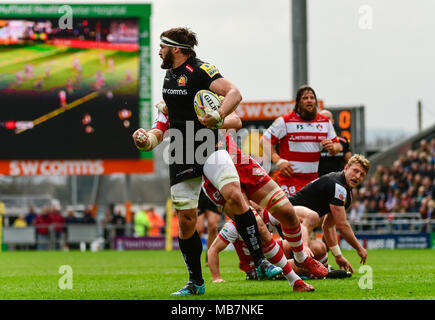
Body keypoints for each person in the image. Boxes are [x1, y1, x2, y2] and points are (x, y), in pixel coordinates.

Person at [133, 27, 287, 296]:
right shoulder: (168, 77)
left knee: (234, 195)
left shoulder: (202, 70)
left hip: (208, 144)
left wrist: (218, 115)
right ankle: (196, 282)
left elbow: (235, 94)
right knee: (186, 221)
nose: (159, 51)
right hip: (180, 151)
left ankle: (259, 263)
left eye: (162, 47)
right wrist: (146, 139)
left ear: (176, 50)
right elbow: (163, 127)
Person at [145, 98, 328, 293]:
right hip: (211, 173)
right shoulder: (168, 105)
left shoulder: (205, 91)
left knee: (287, 212)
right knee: (260, 229)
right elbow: (158, 130)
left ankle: (301, 258)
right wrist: (146, 139)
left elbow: (236, 120)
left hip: (237, 160)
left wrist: (214, 119)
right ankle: (293, 279)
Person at [288, 154, 370, 273]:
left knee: (320, 249)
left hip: (298, 225)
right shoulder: (337, 185)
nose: (357, 176)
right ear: (346, 168)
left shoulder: (346, 193)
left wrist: (338, 256)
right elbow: (342, 225)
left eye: (362, 174)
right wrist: (359, 248)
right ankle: (273, 267)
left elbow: (328, 226)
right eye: (355, 171)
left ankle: (320, 268)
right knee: (311, 256)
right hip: (285, 218)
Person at [260, 85, 341, 197]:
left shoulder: (325, 122)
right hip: (289, 181)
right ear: (298, 102)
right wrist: (277, 160)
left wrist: (333, 148)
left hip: (312, 181)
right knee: (297, 213)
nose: (309, 100)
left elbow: (337, 146)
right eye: (305, 98)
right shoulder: (285, 121)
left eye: (312, 98)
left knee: (317, 214)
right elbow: (263, 140)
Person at [318, 109, 352, 177]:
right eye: (322, 118)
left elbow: (350, 163)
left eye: (328, 118)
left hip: (338, 181)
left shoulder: (343, 141)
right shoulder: (313, 141)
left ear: (333, 121)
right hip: (318, 181)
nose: (325, 120)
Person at [196, 189, 223, 265]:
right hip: (199, 195)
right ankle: (194, 257)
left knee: (213, 227)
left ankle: (210, 257)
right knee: (199, 229)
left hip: (213, 194)